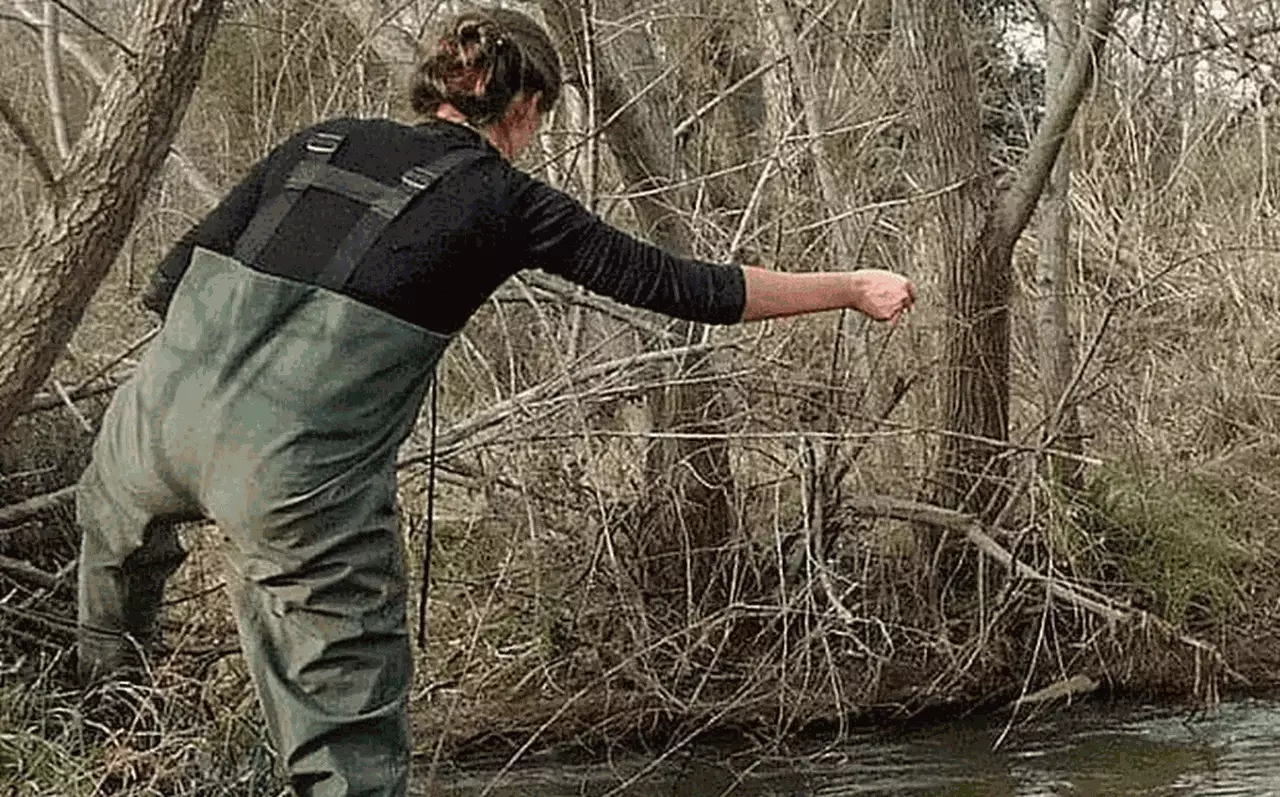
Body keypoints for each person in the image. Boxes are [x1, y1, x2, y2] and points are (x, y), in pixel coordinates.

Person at [74, 6, 915, 796]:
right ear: (527, 106)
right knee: (344, 719)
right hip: (291, 477)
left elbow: (167, 280)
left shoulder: (318, 142)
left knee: (114, 580)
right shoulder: (508, 200)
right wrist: (846, 286)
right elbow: (682, 285)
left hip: (144, 433)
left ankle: (115, 753)